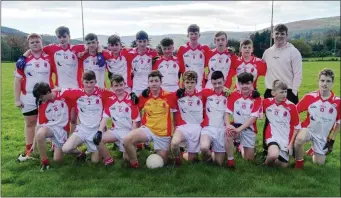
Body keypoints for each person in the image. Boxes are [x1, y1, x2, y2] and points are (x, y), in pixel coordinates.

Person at [16, 26, 87, 134]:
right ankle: (59, 143)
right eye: (59, 37)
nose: (62, 39)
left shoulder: (77, 48)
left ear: (69, 37)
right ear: (57, 38)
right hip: (59, 91)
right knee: (61, 118)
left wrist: (99, 52)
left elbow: (94, 46)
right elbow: (35, 48)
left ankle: (71, 144)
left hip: (76, 89)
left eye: (64, 36)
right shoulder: (52, 49)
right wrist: (23, 56)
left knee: (73, 119)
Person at [262, 24, 303, 155]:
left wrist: (293, 92)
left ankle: (290, 149)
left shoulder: (293, 52)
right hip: (270, 91)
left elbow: (298, 74)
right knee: (269, 121)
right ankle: (267, 148)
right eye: (277, 33)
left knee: (289, 122)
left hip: (288, 91)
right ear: (272, 35)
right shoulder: (267, 52)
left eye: (282, 33)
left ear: (286, 35)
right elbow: (260, 68)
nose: (279, 36)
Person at [123, 70, 177, 168]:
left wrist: (175, 130)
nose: (154, 83)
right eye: (151, 81)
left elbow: (180, 103)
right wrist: (132, 97)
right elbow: (133, 106)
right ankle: (134, 163)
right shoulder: (144, 96)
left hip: (163, 133)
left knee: (162, 162)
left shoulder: (169, 96)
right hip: (148, 129)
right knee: (126, 140)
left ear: (161, 82)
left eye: (156, 81)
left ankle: (160, 151)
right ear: (148, 83)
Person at [15, 33, 54, 161]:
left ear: (41, 42)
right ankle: (30, 148)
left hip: (47, 96)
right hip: (28, 96)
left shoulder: (50, 57)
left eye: (37, 41)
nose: (35, 44)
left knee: (50, 122)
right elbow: (17, 80)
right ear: (29, 45)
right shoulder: (23, 61)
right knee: (30, 123)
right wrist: (17, 99)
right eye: (32, 42)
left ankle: (54, 145)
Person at [60, 71, 113, 163]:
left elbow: (117, 95)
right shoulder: (76, 93)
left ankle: (99, 151)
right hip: (82, 130)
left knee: (95, 161)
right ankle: (80, 154)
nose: (89, 85)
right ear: (82, 81)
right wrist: (52, 91)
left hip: (96, 130)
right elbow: (60, 91)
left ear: (95, 82)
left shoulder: (102, 93)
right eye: (86, 82)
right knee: (65, 149)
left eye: (91, 82)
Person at [294, 69, 340, 168]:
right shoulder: (309, 97)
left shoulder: (338, 102)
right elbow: (295, 111)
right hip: (308, 129)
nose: (324, 84)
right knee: (299, 140)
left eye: (328, 81)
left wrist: (331, 140)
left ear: (332, 83)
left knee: (319, 164)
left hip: (322, 136)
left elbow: (339, 123)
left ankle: (313, 149)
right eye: (322, 80)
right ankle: (299, 165)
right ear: (318, 81)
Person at [93, 74, 140, 167]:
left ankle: (133, 153)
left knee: (127, 159)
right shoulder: (110, 100)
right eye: (116, 86)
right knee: (97, 140)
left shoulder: (132, 100)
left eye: (121, 85)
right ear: (112, 87)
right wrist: (99, 132)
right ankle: (109, 160)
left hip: (128, 132)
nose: (119, 88)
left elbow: (136, 122)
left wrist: (132, 138)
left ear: (124, 84)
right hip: (116, 131)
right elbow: (105, 117)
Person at [225, 72, 262, 168]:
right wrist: (228, 125)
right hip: (236, 126)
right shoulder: (233, 95)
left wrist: (238, 129)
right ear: (238, 84)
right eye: (242, 83)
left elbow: (252, 119)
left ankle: (240, 146)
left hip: (249, 129)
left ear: (252, 83)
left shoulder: (257, 98)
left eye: (247, 83)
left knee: (249, 160)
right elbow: (226, 113)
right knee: (228, 133)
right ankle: (230, 161)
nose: (244, 86)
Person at [32, 82, 71, 171]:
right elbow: (40, 124)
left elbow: (79, 92)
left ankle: (79, 154)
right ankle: (45, 162)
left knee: (58, 160)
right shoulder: (42, 103)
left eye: (41, 96)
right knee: (40, 134)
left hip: (62, 130)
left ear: (48, 92)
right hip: (50, 128)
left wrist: (62, 88)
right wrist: (34, 144)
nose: (40, 99)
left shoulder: (64, 95)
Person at [262, 80, 301, 168]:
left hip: (285, 139)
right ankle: (265, 166)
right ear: (273, 93)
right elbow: (256, 109)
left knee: (283, 166)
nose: (284, 94)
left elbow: (297, 127)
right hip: (272, 136)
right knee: (273, 155)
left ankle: (271, 158)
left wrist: (291, 145)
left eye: (285, 91)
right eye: (281, 92)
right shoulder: (266, 102)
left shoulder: (291, 106)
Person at [171, 70, 205, 166]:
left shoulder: (202, 94)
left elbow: (217, 92)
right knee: (174, 144)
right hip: (183, 127)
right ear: (183, 83)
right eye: (187, 82)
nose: (189, 85)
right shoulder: (178, 95)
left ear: (196, 83)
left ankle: (185, 152)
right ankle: (177, 162)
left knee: (192, 160)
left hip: (197, 128)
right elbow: (163, 96)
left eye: (192, 82)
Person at [200, 71, 230, 166]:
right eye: (214, 83)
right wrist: (181, 92)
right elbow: (192, 93)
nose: (217, 86)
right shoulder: (206, 93)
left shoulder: (228, 95)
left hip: (221, 129)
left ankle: (218, 154)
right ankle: (208, 159)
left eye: (219, 83)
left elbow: (242, 94)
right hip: (208, 128)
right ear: (211, 83)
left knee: (218, 163)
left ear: (224, 81)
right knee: (204, 148)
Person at [177, 24, 210, 91]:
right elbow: (179, 69)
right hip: (186, 85)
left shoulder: (205, 49)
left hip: (201, 85)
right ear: (187, 36)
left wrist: (229, 53)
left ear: (199, 35)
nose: (194, 36)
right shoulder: (182, 49)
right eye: (191, 34)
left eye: (196, 34)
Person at [126, 30, 158, 95]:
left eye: (144, 41)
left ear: (147, 41)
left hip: (149, 87)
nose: (142, 44)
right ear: (136, 42)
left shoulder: (153, 52)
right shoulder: (130, 53)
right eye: (140, 41)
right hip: (136, 87)